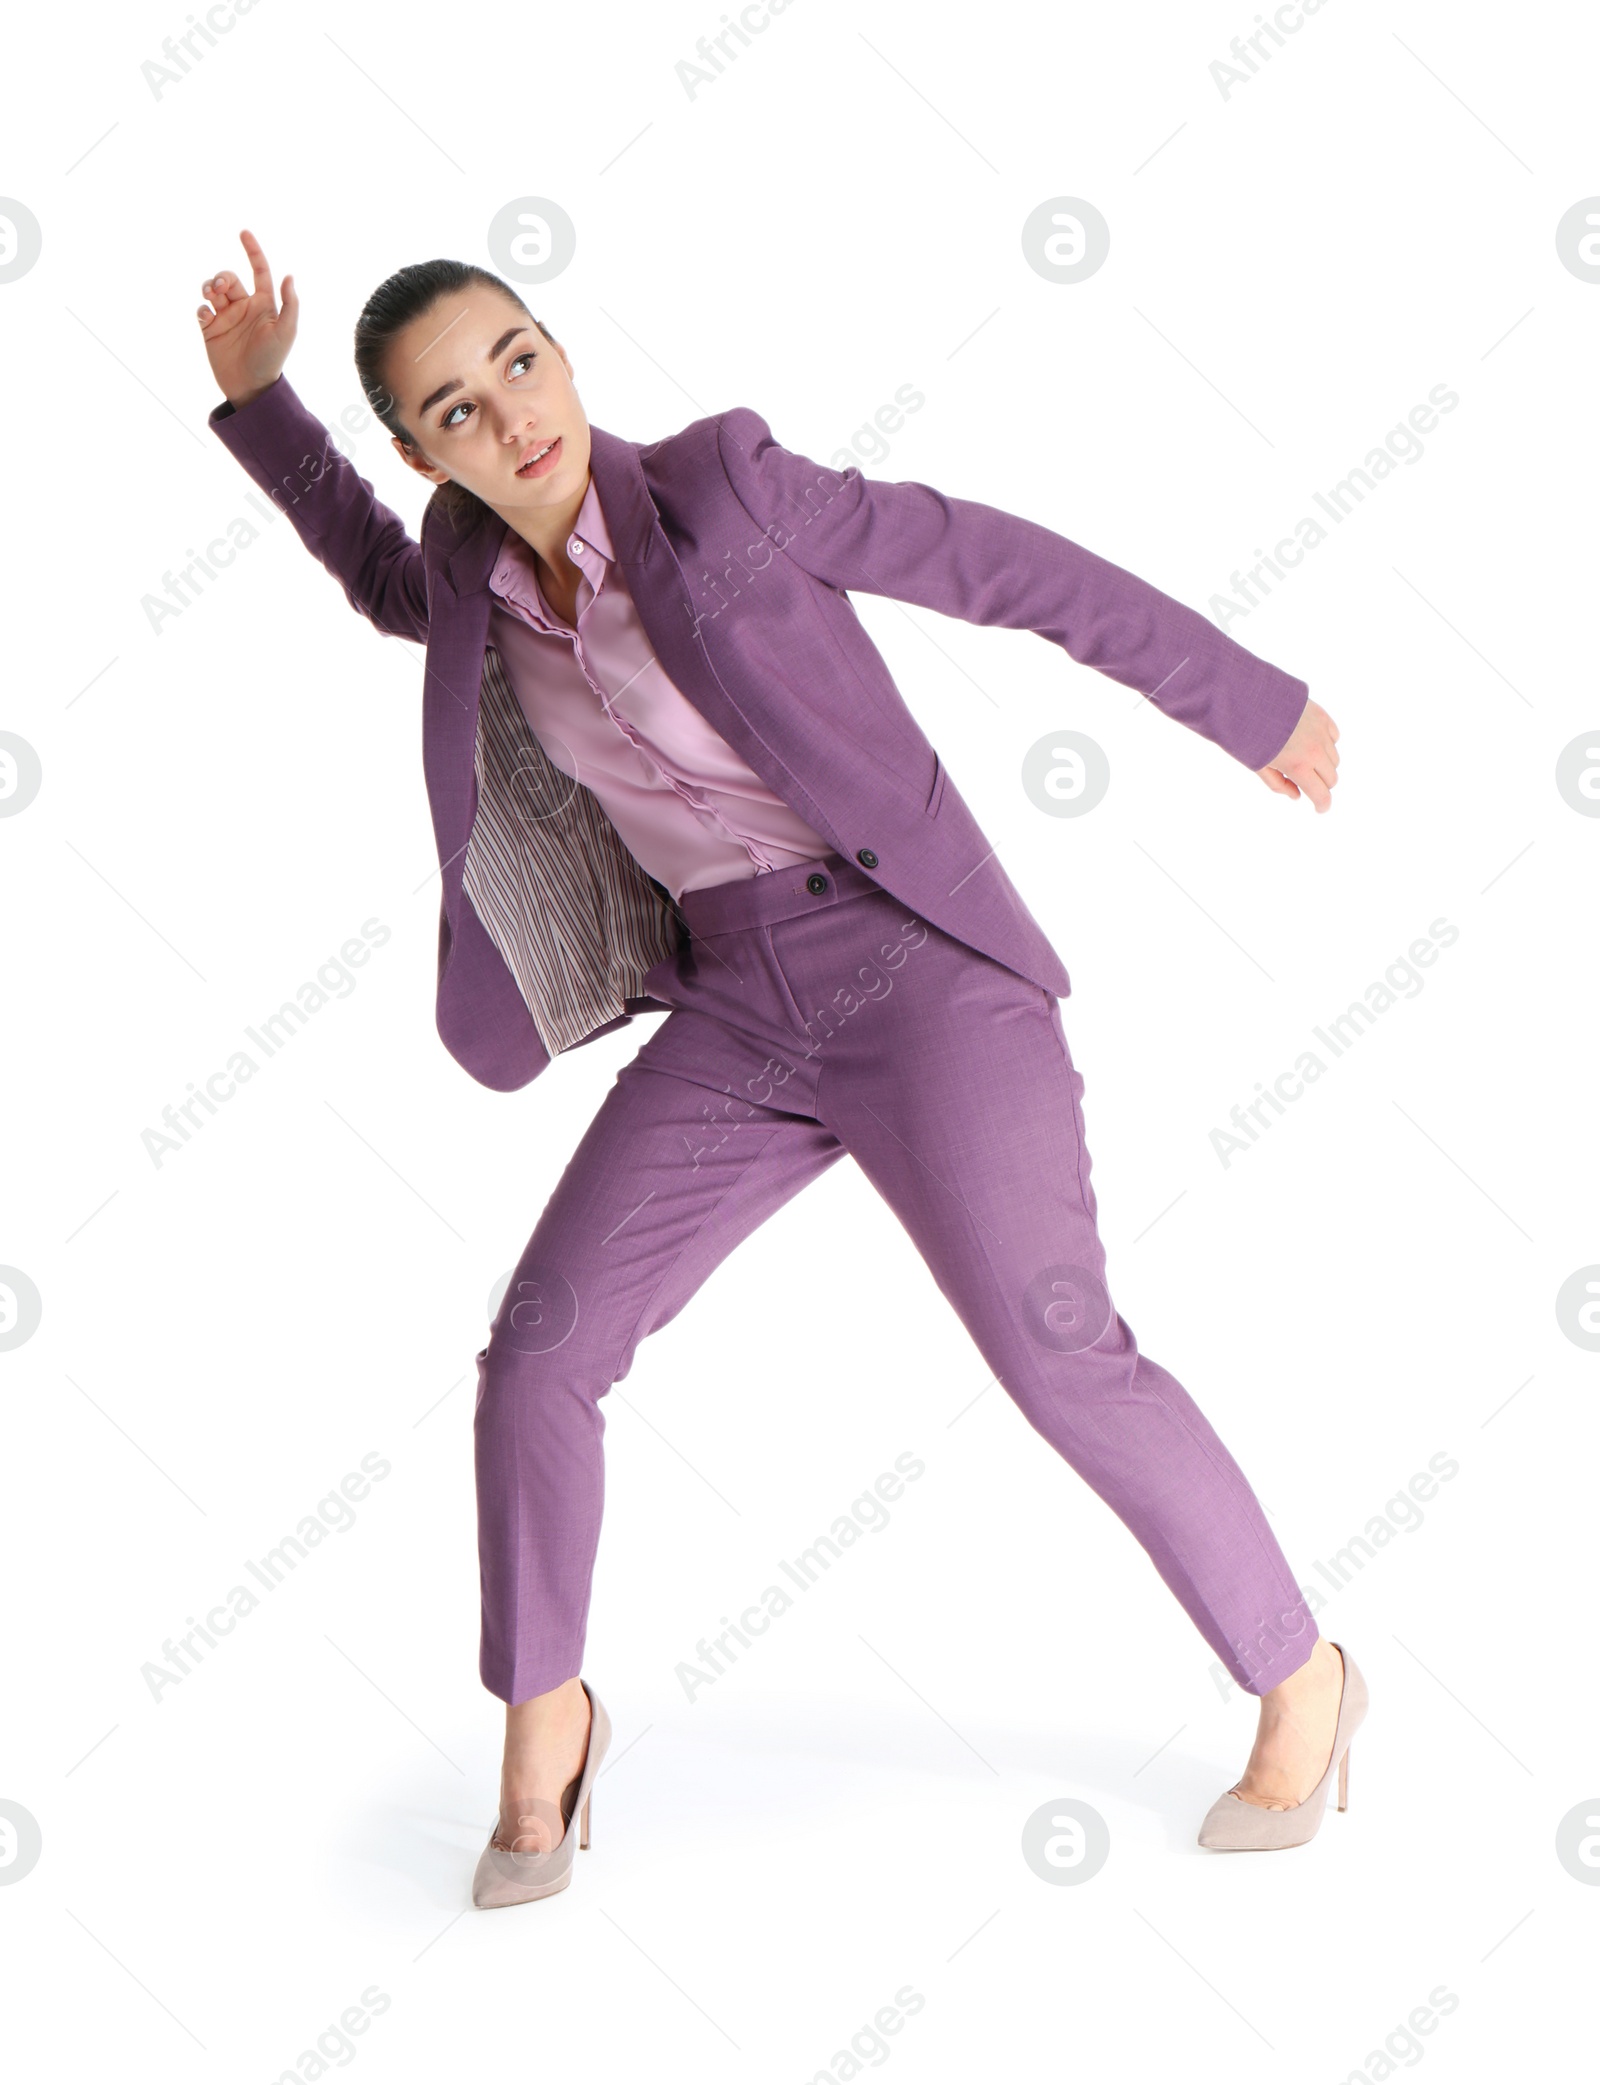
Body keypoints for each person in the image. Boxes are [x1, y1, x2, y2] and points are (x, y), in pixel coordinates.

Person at [195, 228, 1366, 1903]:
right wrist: (260, 406)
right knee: (539, 1352)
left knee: (1059, 1356)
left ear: (559, 345)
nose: (511, 414)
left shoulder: (729, 490)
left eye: (519, 358)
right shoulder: (465, 573)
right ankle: (547, 1723)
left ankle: (1303, 1671)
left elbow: (1007, 565)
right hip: (732, 1004)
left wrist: (1250, 704)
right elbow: (386, 583)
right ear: (422, 453)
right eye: (455, 408)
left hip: (920, 971)